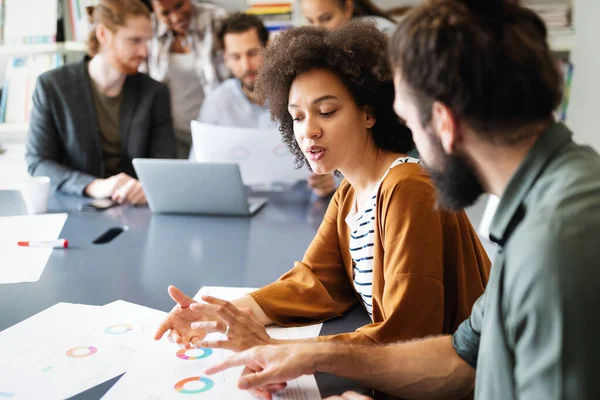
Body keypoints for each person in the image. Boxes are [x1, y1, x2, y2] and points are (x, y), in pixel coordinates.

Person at [205, 1, 600, 400]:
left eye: (408, 120)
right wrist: (302, 354)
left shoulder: (555, 238)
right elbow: (464, 356)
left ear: (443, 123)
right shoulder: (542, 207)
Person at [155, 22, 490, 360]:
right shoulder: (349, 193)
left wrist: (275, 351)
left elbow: (406, 337)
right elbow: (315, 280)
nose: (309, 131)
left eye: (326, 112)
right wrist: (221, 313)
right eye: (297, 118)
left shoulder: (408, 189)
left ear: (369, 112)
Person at [26, 0, 176, 205]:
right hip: (75, 204)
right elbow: (39, 163)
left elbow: (165, 165)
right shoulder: (53, 87)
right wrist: (92, 185)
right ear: (103, 34)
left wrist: (146, 186)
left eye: (146, 41)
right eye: (134, 41)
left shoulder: (155, 93)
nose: (144, 52)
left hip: (135, 207)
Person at [195, 12, 336, 197]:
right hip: (240, 203)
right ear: (225, 59)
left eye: (252, 53)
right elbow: (198, 166)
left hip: (301, 203)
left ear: (267, 47)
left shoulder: (296, 92)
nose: (246, 65)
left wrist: (332, 179)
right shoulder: (216, 102)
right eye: (236, 57)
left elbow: (339, 149)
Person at [144, 0, 229, 158]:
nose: (175, 17)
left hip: (216, 129)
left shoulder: (217, 19)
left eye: (179, 5)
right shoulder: (148, 29)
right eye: (165, 13)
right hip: (171, 135)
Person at [300, 0, 396, 34]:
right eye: (310, 21)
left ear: (348, 8)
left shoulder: (384, 32)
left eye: (326, 18)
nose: (317, 28)